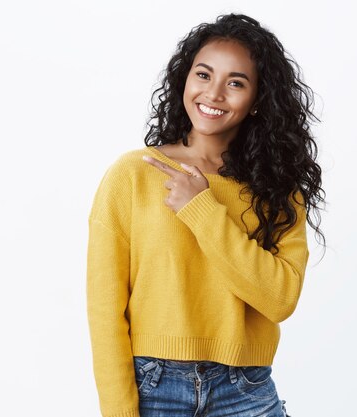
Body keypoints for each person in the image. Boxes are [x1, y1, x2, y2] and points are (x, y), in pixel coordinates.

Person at [86, 12, 325, 417]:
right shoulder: (133, 175)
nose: (214, 94)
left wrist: (201, 209)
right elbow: (105, 309)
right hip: (154, 388)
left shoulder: (277, 189)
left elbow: (280, 299)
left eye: (235, 82)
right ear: (185, 79)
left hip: (245, 389)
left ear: (257, 100)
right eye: (203, 75)